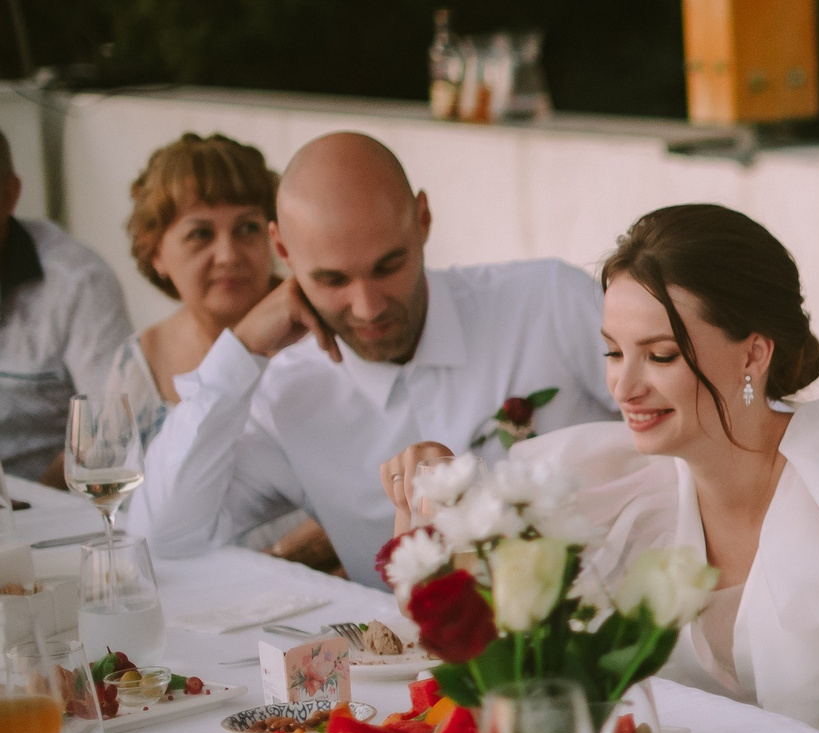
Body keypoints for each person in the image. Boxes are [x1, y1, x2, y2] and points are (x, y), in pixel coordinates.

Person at [390, 204, 819, 733]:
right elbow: (467, 622)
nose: (623, 386)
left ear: (753, 354)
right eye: (613, 352)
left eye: (660, 355)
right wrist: (432, 494)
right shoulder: (620, 487)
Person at [128, 130, 616, 587]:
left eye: (388, 267)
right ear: (283, 250)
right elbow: (161, 540)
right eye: (333, 280)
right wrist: (242, 348)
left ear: (422, 219)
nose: (368, 307)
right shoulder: (284, 395)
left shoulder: (548, 302)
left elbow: (666, 438)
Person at [110, 133, 331, 565]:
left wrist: (291, 553)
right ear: (156, 254)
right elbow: (119, 508)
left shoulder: (321, 338)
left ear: (275, 238)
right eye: (201, 234)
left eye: (247, 228)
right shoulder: (141, 359)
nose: (228, 254)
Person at [0, 127, 135, 484]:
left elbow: (110, 430)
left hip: (45, 501)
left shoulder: (79, 282)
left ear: (10, 194)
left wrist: (29, 505)